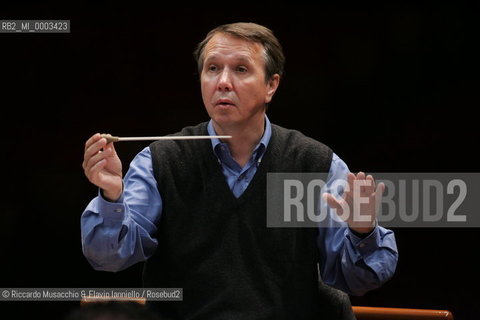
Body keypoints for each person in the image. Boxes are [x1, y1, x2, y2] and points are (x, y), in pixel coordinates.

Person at [81, 22, 398, 319]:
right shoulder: (160, 161)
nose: (222, 82)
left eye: (241, 69)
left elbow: (361, 279)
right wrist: (112, 195)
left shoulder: (313, 164)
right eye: (212, 69)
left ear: (271, 85)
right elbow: (108, 258)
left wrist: (361, 231)